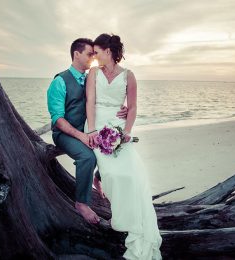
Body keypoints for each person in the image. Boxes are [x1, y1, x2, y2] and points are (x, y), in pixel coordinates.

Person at [85, 34, 162, 259]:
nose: (94, 57)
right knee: (111, 172)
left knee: (131, 173)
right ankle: (114, 207)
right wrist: (91, 130)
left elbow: (133, 106)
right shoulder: (93, 73)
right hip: (96, 124)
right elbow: (90, 101)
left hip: (118, 128)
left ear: (108, 51)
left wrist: (127, 131)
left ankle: (135, 224)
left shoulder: (129, 75)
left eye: (97, 52)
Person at [47, 38, 127, 224]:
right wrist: (82, 136)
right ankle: (81, 203)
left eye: (94, 53)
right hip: (65, 134)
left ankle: (97, 179)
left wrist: (122, 109)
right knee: (88, 157)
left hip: (89, 131)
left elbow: (104, 98)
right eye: (89, 53)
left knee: (115, 147)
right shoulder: (60, 81)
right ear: (77, 54)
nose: (94, 57)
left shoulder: (94, 76)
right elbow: (57, 119)